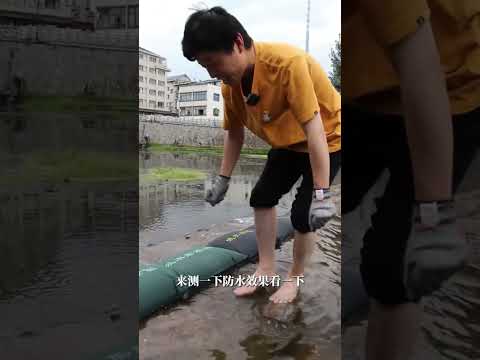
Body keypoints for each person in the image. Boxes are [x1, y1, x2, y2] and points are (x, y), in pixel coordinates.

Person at [343, 1, 480, 359]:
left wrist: (433, 215)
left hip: (448, 84)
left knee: (395, 263)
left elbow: (417, 58)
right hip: (367, 88)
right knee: (323, 202)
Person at [182, 7, 341, 303]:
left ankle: (294, 278)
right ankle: (266, 269)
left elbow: (315, 130)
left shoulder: (287, 65)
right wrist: (223, 180)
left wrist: (322, 196)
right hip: (287, 141)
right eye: (205, 67)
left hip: (328, 137)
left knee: (303, 214)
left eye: (214, 62)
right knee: (261, 197)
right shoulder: (230, 88)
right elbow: (234, 134)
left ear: (238, 43)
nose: (212, 72)